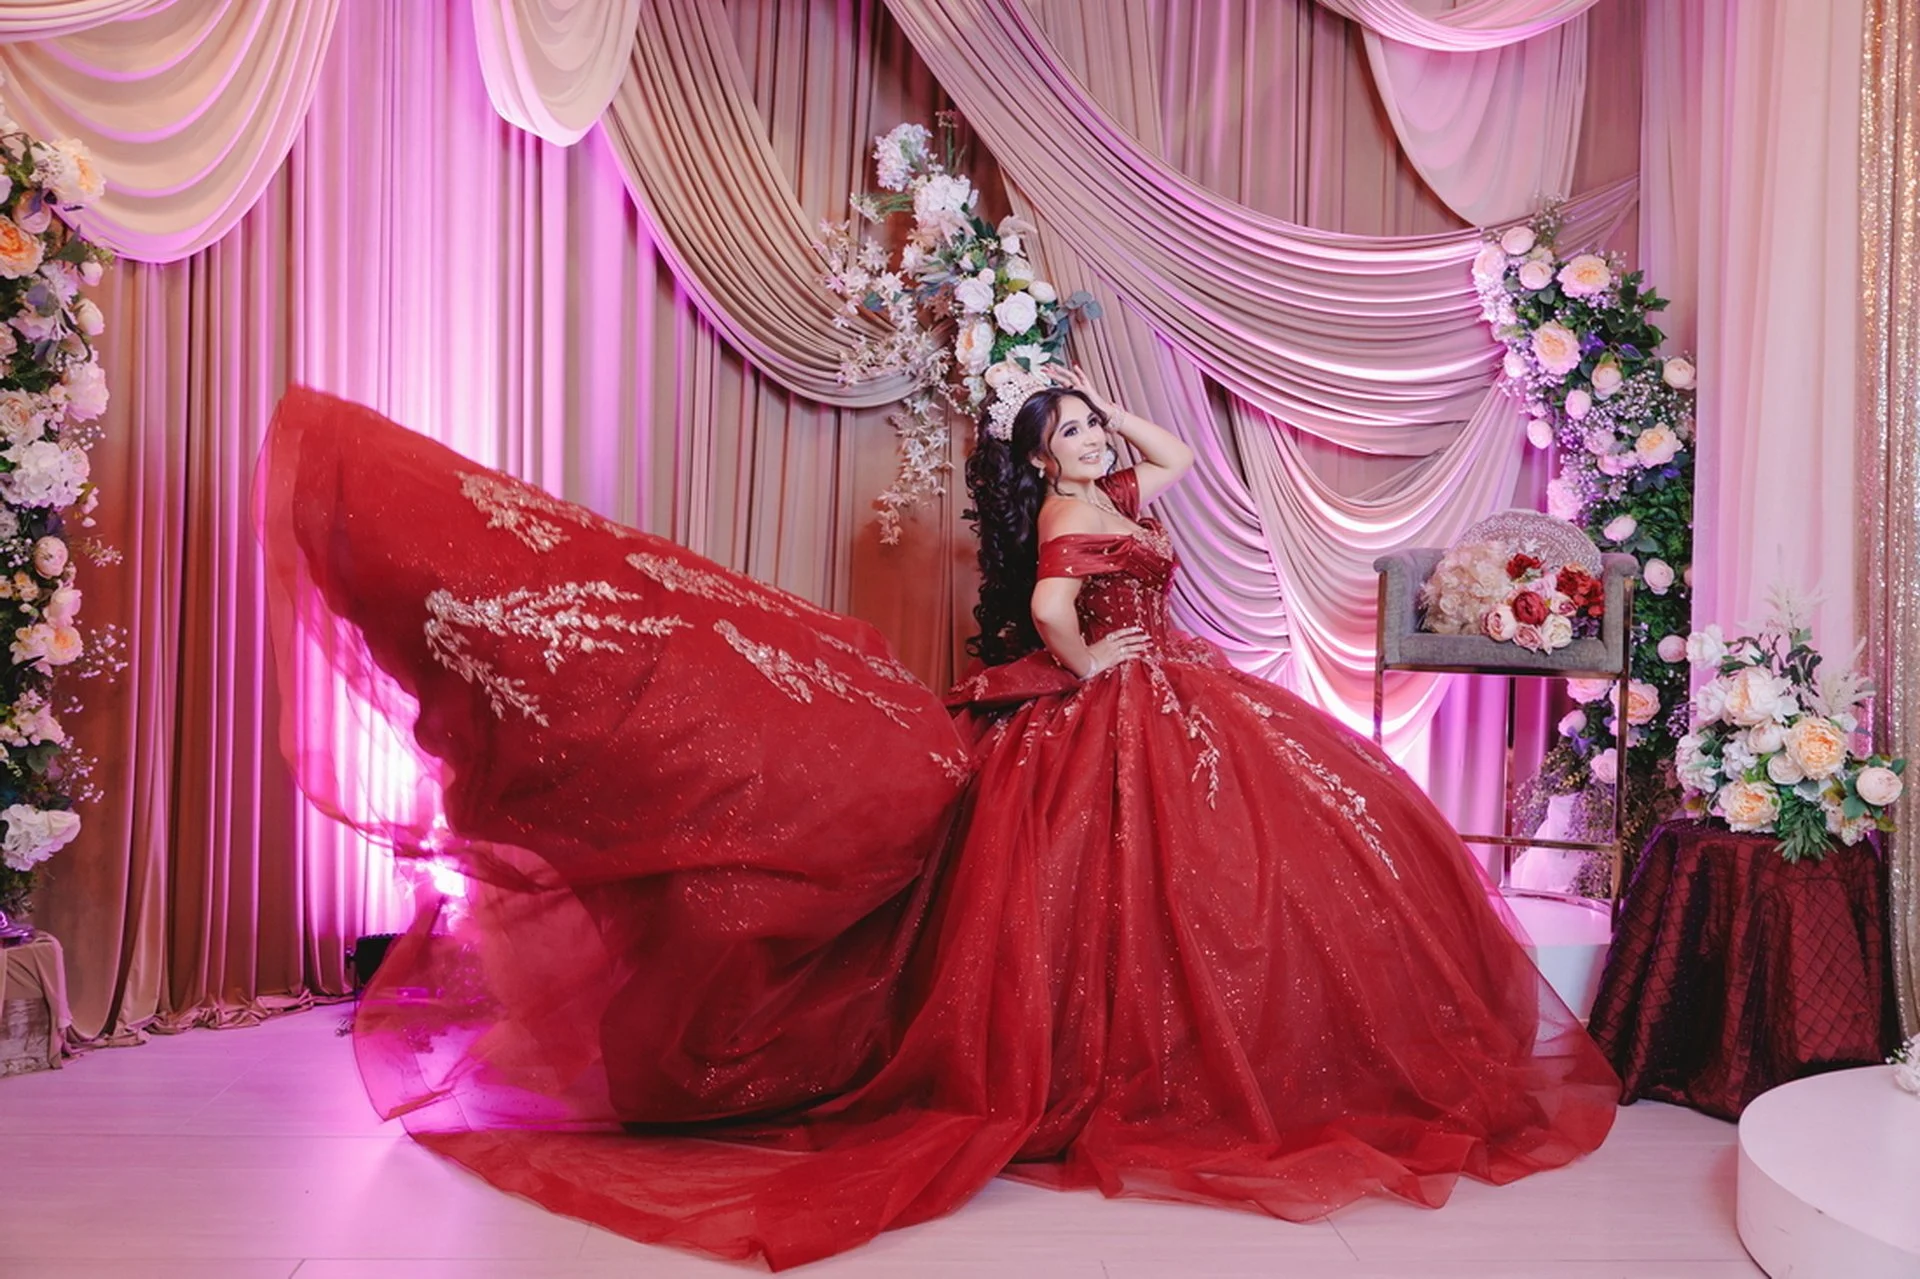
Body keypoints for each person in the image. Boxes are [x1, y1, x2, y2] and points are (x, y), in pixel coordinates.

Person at [259, 383, 1617, 1273]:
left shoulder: (1117, 484)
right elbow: (1050, 623)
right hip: (1117, 698)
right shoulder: (1079, 512)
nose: (1096, 447)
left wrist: (1096, 414)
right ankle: (1127, 1070)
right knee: (1116, 901)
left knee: (1236, 882)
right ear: (1043, 467)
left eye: (1093, 431)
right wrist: (1113, 671)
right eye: (1071, 437)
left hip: (1171, 686)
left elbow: (1181, 456)